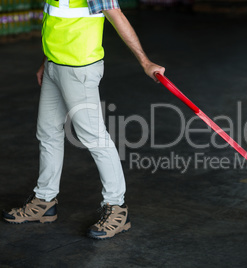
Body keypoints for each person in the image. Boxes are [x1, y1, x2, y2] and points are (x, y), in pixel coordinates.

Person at [2, 0, 165, 239]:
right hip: (54, 65)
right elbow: (58, 21)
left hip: (79, 69)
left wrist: (145, 61)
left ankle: (117, 208)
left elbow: (115, 14)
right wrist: (47, 60)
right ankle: (44, 201)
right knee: (47, 132)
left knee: (94, 137)